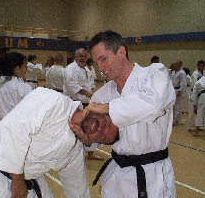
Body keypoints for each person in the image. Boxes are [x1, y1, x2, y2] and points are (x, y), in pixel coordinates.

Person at [70, 30, 176, 198]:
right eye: (97, 63)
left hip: (152, 176)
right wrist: (87, 139)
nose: (101, 69)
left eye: (103, 59)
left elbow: (153, 106)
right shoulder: (102, 94)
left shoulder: (154, 74)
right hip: (117, 177)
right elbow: (99, 139)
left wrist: (108, 108)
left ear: (121, 52)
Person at [0, 87, 118, 198]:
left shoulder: (74, 151)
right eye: (106, 123)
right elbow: (11, 128)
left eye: (102, 137)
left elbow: (78, 190)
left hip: (30, 179)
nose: (100, 130)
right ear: (97, 109)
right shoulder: (52, 100)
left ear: (91, 142)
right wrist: (18, 181)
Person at [64, 48, 103, 160]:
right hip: (74, 104)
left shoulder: (87, 69)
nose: (83, 58)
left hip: (87, 103)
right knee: (73, 130)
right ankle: (70, 153)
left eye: (85, 56)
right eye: (80, 56)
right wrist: (88, 93)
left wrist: (93, 94)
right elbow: (72, 85)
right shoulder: (70, 69)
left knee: (89, 128)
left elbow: (91, 84)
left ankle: (91, 153)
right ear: (75, 57)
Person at [0, 52, 32, 138]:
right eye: (24, 66)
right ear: (17, 68)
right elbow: (30, 114)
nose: (26, 69)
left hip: (0, 131)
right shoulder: (24, 88)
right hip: (18, 132)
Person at [188, 60, 205, 130]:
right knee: (192, 110)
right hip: (194, 92)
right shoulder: (195, 74)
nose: (201, 67)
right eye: (200, 66)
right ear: (197, 66)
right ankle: (190, 126)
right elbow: (195, 85)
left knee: (201, 110)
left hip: (201, 94)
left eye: (202, 66)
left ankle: (200, 125)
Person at [171, 60, 187, 126]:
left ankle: (176, 120)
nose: (175, 65)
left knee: (178, 106)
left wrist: (179, 92)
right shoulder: (173, 72)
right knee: (172, 106)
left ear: (180, 65)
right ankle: (172, 119)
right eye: (175, 64)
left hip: (178, 90)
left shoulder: (182, 73)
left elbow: (183, 83)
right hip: (172, 89)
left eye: (176, 64)